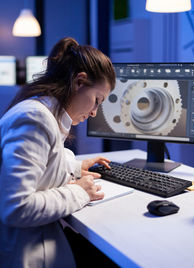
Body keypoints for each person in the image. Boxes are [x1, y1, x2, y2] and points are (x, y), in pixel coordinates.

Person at [0, 37, 116, 268]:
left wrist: (75, 167)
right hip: (24, 254)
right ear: (79, 82)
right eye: (96, 100)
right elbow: (16, 208)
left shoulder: (40, 110)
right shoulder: (34, 118)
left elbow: (44, 158)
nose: (94, 112)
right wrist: (80, 193)